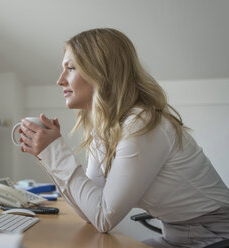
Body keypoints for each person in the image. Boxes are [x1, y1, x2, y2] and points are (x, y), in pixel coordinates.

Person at [17, 28, 229, 248]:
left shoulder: (142, 123)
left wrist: (55, 152)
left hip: (216, 237)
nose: (60, 80)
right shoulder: (106, 129)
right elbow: (89, 210)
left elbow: (103, 218)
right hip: (179, 237)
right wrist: (49, 156)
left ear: (101, 72)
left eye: (70, 68)